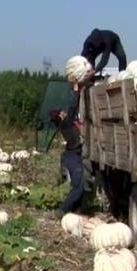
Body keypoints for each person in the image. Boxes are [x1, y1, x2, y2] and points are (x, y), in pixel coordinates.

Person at [49, 60, 89, 217]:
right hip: (73, 156)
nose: (64, 112)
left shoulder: (67, 123)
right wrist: (77, 88)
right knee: (79, 186)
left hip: (74, 155)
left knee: (79, 185)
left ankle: (75, 210)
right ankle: (62, 210)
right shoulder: (65, 123)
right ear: (60, 116)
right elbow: (73, 106)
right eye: (61, 112)